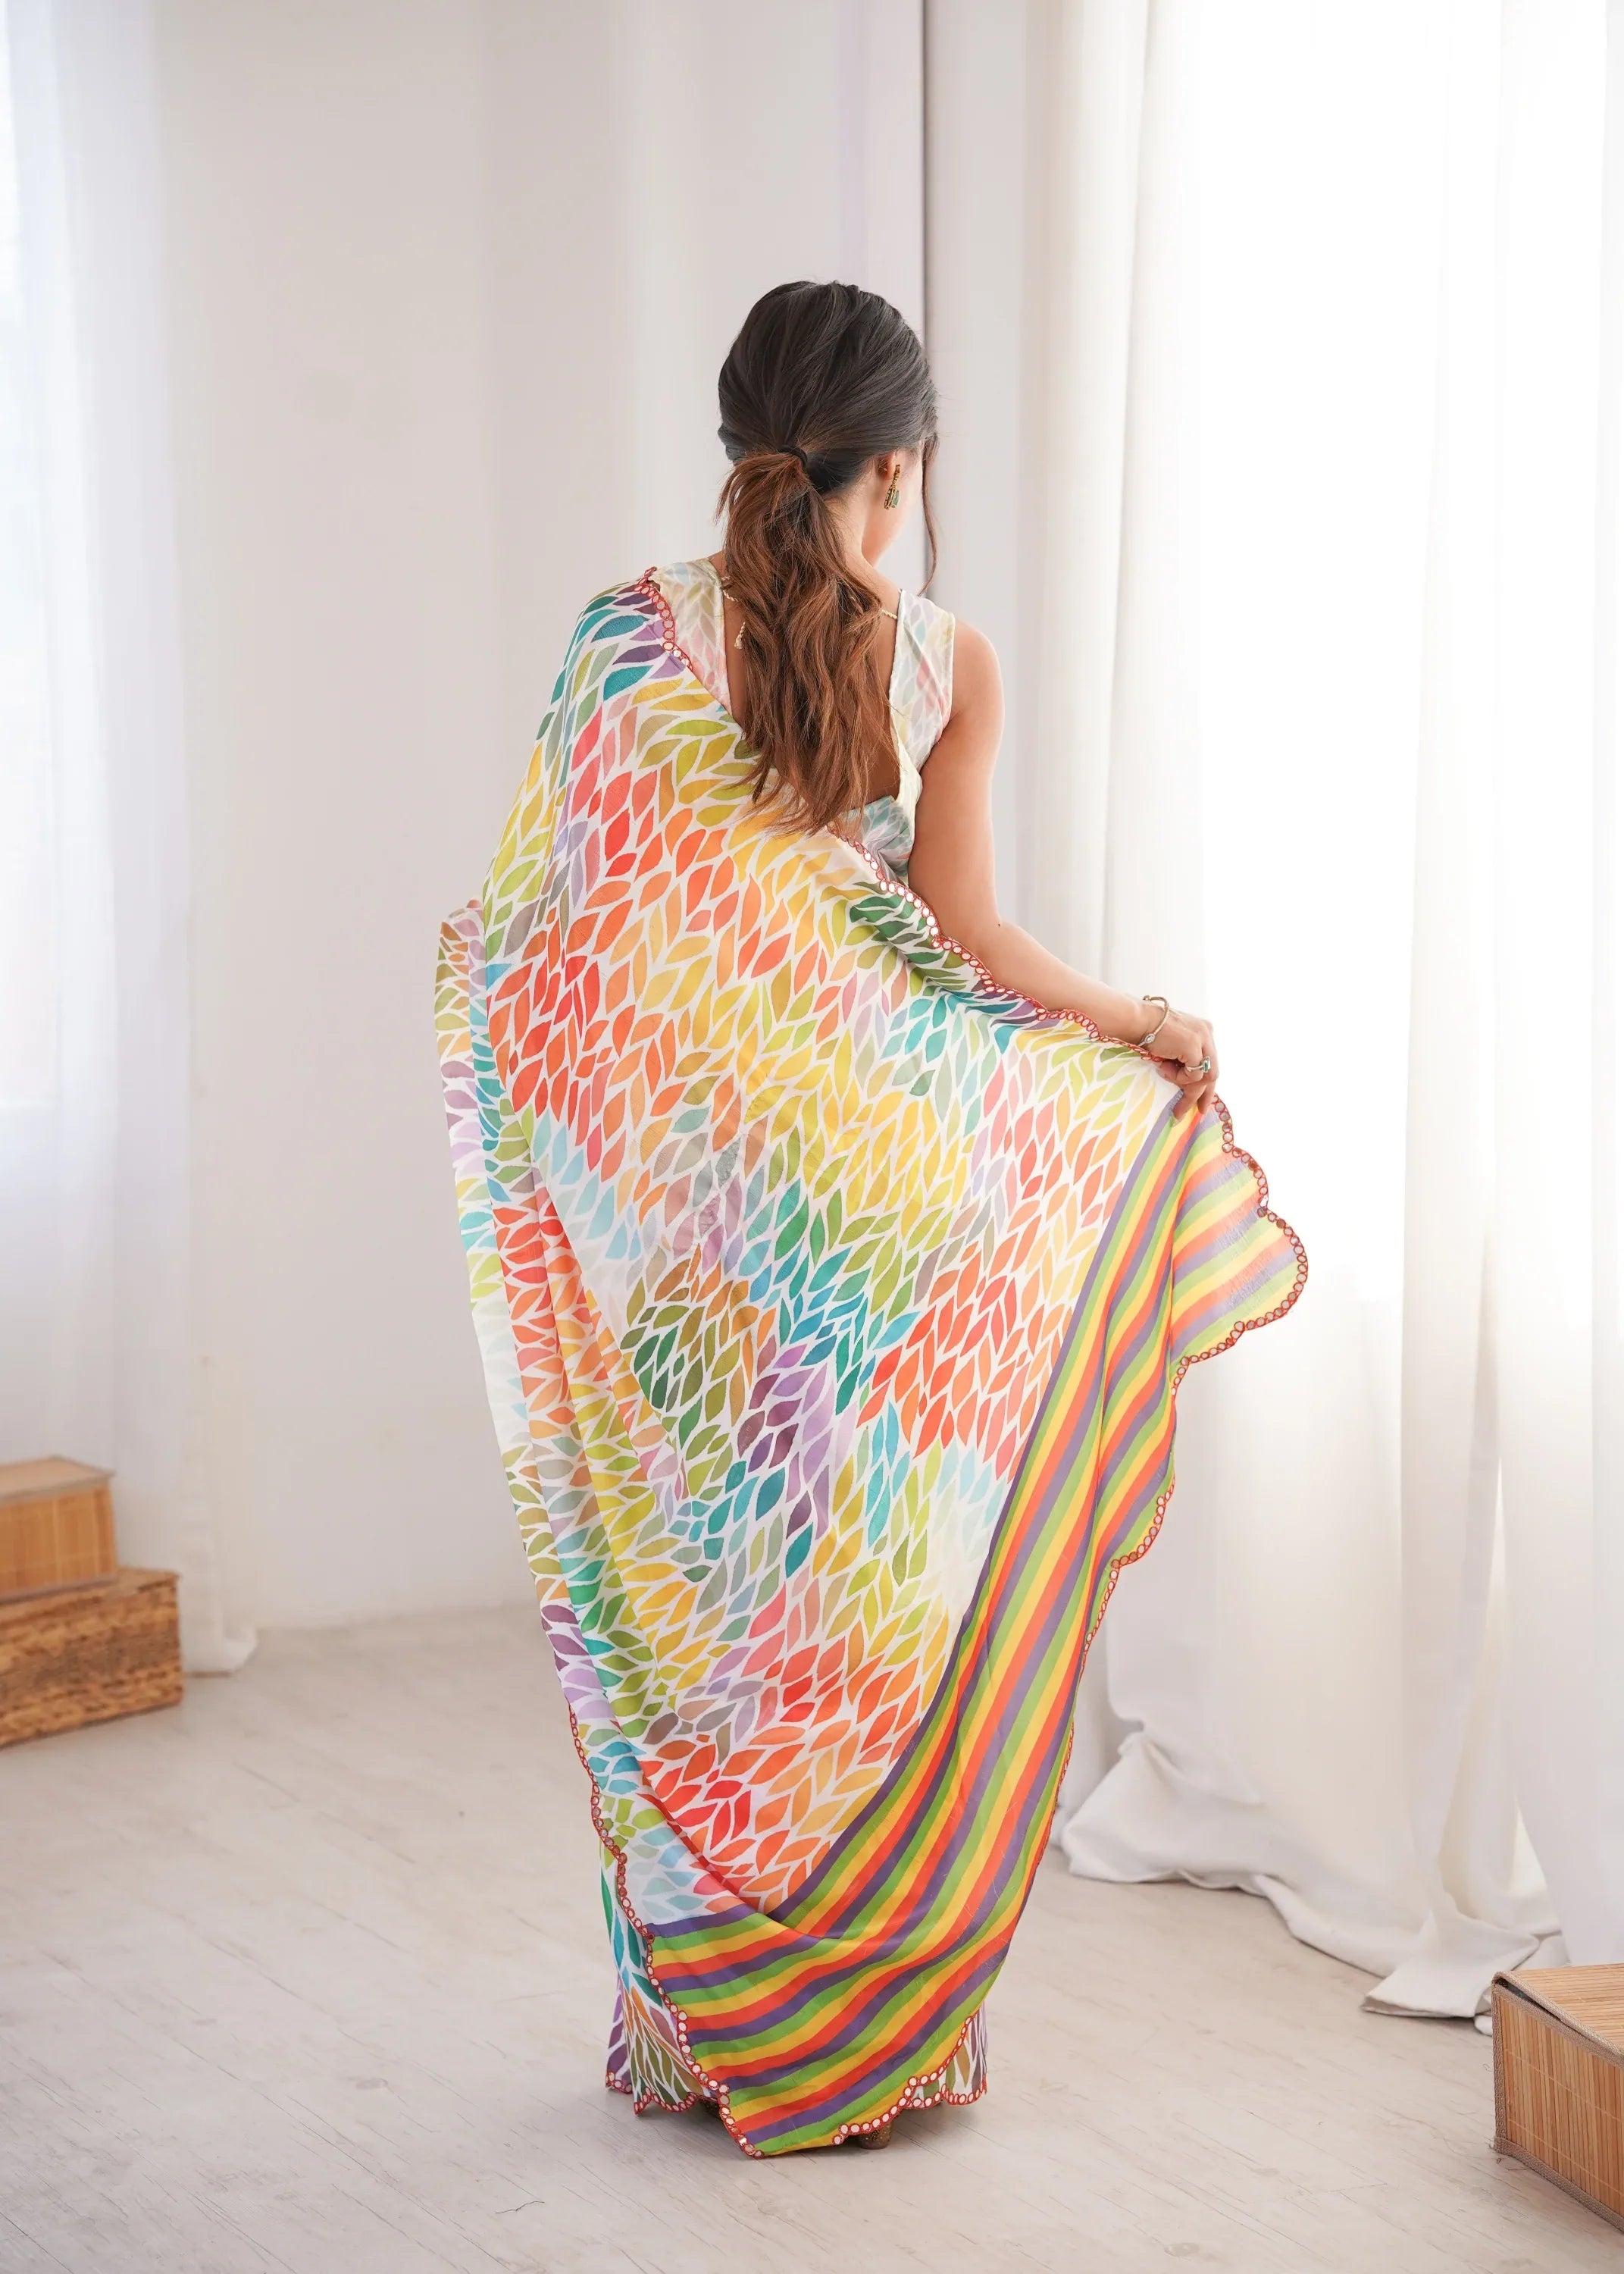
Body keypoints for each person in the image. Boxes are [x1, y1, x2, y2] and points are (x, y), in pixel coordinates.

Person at [438, 280, 1304, 2159]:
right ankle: (897, 2047)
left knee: (705, 1609)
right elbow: (973, 945)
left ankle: (696, 2040)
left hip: (694, 1242)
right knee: (868, 1614)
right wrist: (1147, 1029)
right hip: (892, 1222)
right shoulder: (946, 659)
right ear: (897, 468)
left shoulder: (618, 640)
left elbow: (553, 945)